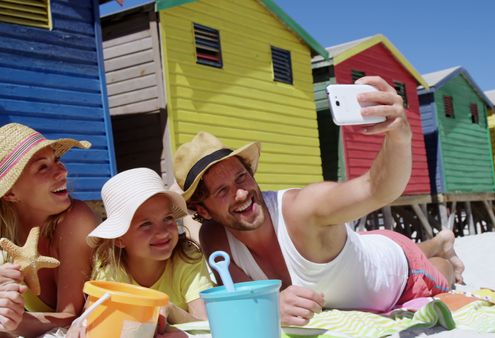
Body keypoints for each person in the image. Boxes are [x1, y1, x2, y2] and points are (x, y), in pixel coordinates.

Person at [173, 76, 465, 326]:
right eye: (221, 191)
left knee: (442, 273)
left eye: (241, 178)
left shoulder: (303, 207)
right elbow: (255, 300)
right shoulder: (215, 239)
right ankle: (437, 241)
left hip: (399, 274)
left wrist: (399, 135)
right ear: (203, 210)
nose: (240, 193)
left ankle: (440, 251)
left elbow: (377, 189)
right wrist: (271, 307)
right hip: (352, 251)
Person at [0, 122, 98, 336]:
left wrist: (12, 322)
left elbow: (71, 317)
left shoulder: (75, 221)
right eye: (42, 167)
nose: (62, 171)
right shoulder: (5, 240)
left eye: (57, 160)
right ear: (10, 193)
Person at [87, 167, 212, 328]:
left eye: (167, 218)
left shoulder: (187, 258)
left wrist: (171, 310)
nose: (162, 233)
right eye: (146, 224)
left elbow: (207, 325)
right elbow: (95, 321)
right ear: (119, 239)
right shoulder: (110, 268)